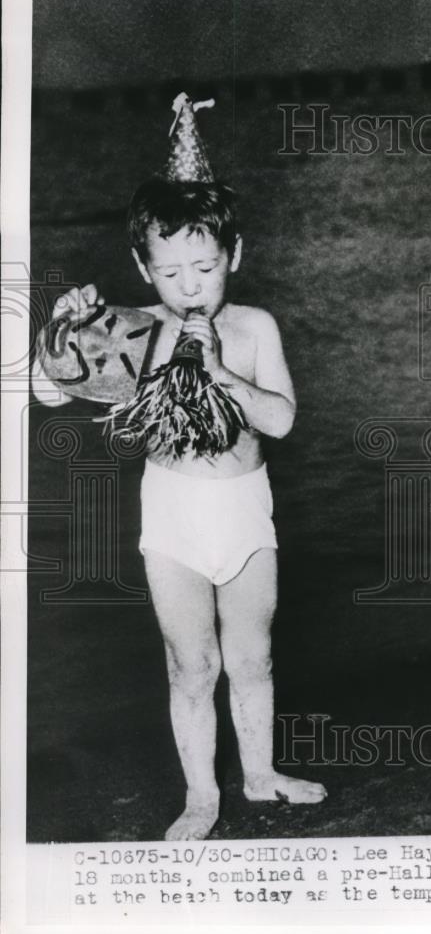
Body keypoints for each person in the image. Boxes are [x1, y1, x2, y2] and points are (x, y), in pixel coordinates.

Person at [32, 95, 326, 840]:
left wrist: (227, 376)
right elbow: (44, 389)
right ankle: (202, 796)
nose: (189, 286)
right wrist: (62, 333)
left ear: (234, 255)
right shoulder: (134, 333)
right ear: (142, 267)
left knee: (252, 658)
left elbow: (283, 419)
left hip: (244, 510)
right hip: (172, 518)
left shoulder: (253, 327)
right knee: (190, 665)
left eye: (204, 266)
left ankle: (258, 776)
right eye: (168, 273)